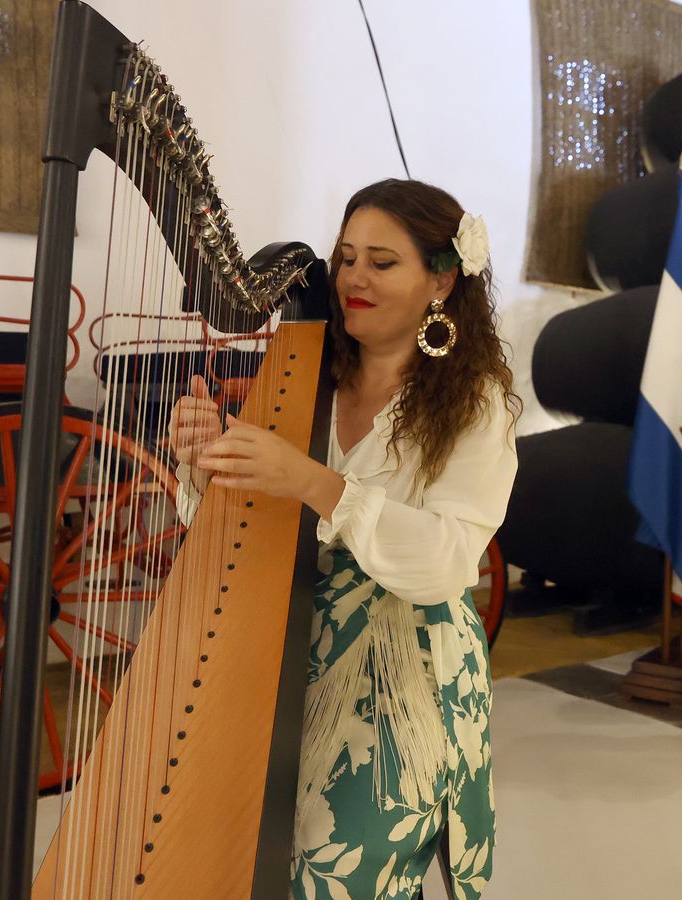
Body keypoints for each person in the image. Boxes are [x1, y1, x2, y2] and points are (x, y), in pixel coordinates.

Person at [172, 180, 518, 899]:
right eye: (348, 256)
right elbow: (248, 531)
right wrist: (206, 463)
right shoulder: (307, 371)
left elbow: (446, 564)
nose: (354, 277)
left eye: (383, 262)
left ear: (442, 281)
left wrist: (314, 482)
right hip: (288, 652)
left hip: (406, 674)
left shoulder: (476, 404)